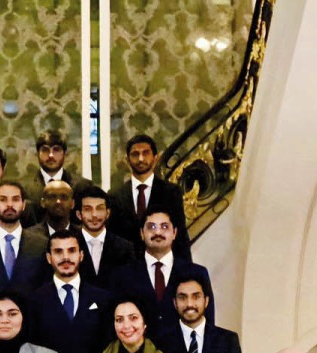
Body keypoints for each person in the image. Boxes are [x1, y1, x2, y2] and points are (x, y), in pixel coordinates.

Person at [112, 208, 214, 337]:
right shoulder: (123, 275)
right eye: (151, 227)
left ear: (174, 233)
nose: (158, 232)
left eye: (164, 227)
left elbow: (208, 322)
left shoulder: (197, 273)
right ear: (142, 233)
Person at [107, 134, 191, 261]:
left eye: (145, 153)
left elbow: (180, 235)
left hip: (162, 265)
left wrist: (186, 273)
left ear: (155, 158)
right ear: (127, 159)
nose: (140, 159)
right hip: (126, 268)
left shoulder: (171, 192)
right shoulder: (115, 195)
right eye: (135, 154)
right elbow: (113, 238)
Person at [0, 181, 50, 292]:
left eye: (15, 199)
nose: (9, 204)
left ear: (23, 205)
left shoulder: (42, 245)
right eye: (3, 199)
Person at [24, 130, 93, 221]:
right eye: (45, 150)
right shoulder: (24, 187)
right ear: (37, 153)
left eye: (56, 150)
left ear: (65, 153)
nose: (51, 155)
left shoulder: (83, 186)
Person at [76, 185, 135, 290]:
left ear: (108, 213)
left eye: (99, 208)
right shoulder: (69, 246)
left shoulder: (125, 248)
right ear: (79, 214)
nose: (94, 215)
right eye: (88, 209)